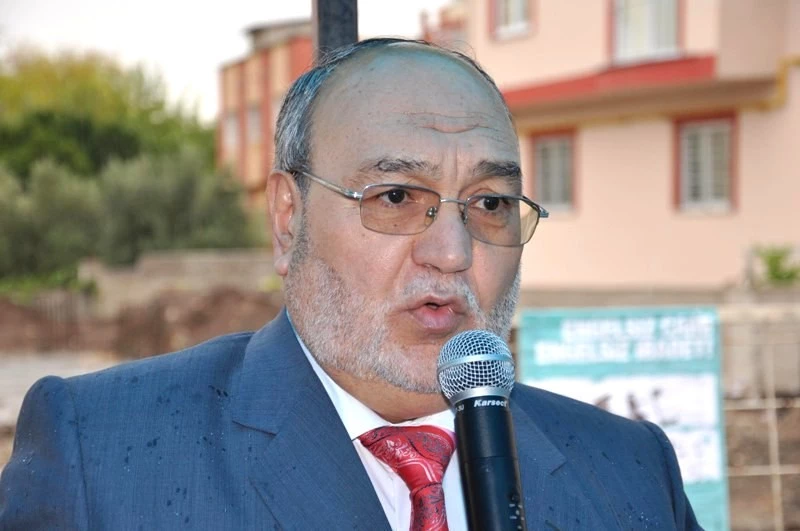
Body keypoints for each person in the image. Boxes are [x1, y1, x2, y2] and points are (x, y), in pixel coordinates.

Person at [0, 38, 700, 530]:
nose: (452, 253)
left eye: (489, 203)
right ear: (288, 218)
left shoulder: (631, 471)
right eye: (396, 197)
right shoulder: (101, 453)